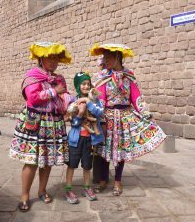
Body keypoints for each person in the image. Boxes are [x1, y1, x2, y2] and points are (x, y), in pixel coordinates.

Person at [90, 43, 166, 196]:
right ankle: (103, 180)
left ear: (118, 57)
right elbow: (100, 99)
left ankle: (117, 181)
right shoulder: (102, 76)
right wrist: (100, 120)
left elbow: (136, 96)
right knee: (104, 151)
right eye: (105, 57)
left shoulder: (129, 76)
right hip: (108, 117)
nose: (107, 60)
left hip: (124, 117)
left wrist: (145, 113)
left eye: (110, 57)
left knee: (120, 151)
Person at [9, 42, 71, 212]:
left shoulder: (59, 78)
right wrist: (54, 91)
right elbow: (33, 98)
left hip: (54, 123)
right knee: (31, 161)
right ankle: (24, 195)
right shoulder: (33, 75)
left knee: (47, 160)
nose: (53, 61)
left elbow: (64, 96)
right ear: (41, 58)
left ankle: (42, 190)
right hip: (35, 123)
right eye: (49, 58)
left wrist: (72, 103)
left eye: (56, 58)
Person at [64, 72, 104, 204]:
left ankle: (86, 187)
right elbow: (72, 121)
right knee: (72, 164)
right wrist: (80, 114)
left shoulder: (94, 99)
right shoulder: (73, 101)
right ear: (78, 85)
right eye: (83, 84)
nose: (86, 86)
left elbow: (99, 113)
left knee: (87, 165)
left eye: (88, 83)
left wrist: (88, 101)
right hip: (75, 139)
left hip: (90, 139)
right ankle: (68, 188)